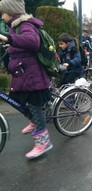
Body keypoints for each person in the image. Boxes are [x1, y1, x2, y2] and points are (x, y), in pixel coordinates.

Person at [0, 0, 53, 159]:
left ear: (11, 12)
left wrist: (8, 39)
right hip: (23, 75)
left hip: (33, 76)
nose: (2, 17)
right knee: (17, 100)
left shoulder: (25, 24)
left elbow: (32, 41)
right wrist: (10, 47)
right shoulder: (15, 27)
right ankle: (33, 120)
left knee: (35, 107)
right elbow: (20, 46)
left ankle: (43, 143)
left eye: (3, 13)